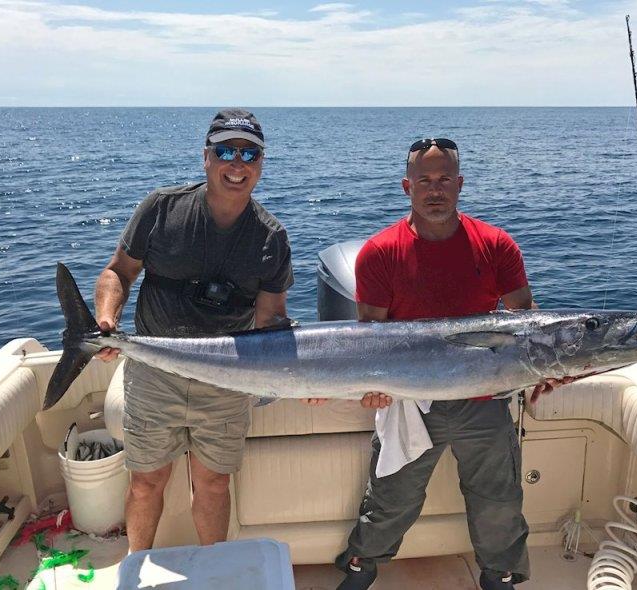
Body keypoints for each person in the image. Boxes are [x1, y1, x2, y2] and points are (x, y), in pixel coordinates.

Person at [326, 138, 570, 590]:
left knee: (498, 499)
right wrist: (374, 389)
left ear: (460, 185)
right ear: (407, 187)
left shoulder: (496, 245)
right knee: (391, 497)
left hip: (484, 399)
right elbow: (369, 341)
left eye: (443, 180)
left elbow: (527, 322)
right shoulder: (380, 252)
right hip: (411, 401)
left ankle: (500, 575)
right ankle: (362, 565)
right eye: (424, 181)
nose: (434, 190)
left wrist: (543, 370)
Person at [94, 109, 293, 552]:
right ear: (206, 157)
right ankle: (135, 564)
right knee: (146, 481)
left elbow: (271, 318)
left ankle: (213, 569)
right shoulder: (162, 208)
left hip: (225, 379)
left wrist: (302, 372)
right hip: (154, 372)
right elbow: (118, 273)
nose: (236, 164)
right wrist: (107, 320)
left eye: (249, 154)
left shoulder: (271, 238)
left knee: (214, 483)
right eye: (225, 151)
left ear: (261, 164)